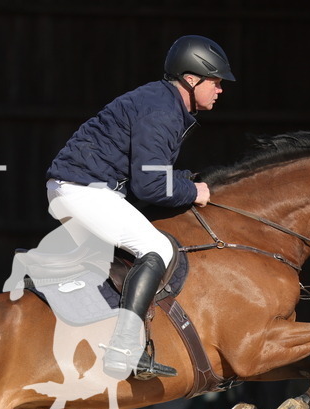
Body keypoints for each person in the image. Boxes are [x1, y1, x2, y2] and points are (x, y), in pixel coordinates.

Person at [45, 35, 234, 380]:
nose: (220, 89)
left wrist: (186, 181)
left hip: (87, 189)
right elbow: (149, 185)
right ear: (191, 80)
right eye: (216, 81)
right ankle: (124, 348)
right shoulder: (161, 111)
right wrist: (192, 190)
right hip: (83, 191)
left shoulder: (162, 103)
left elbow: (145, 176)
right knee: (157, 247)